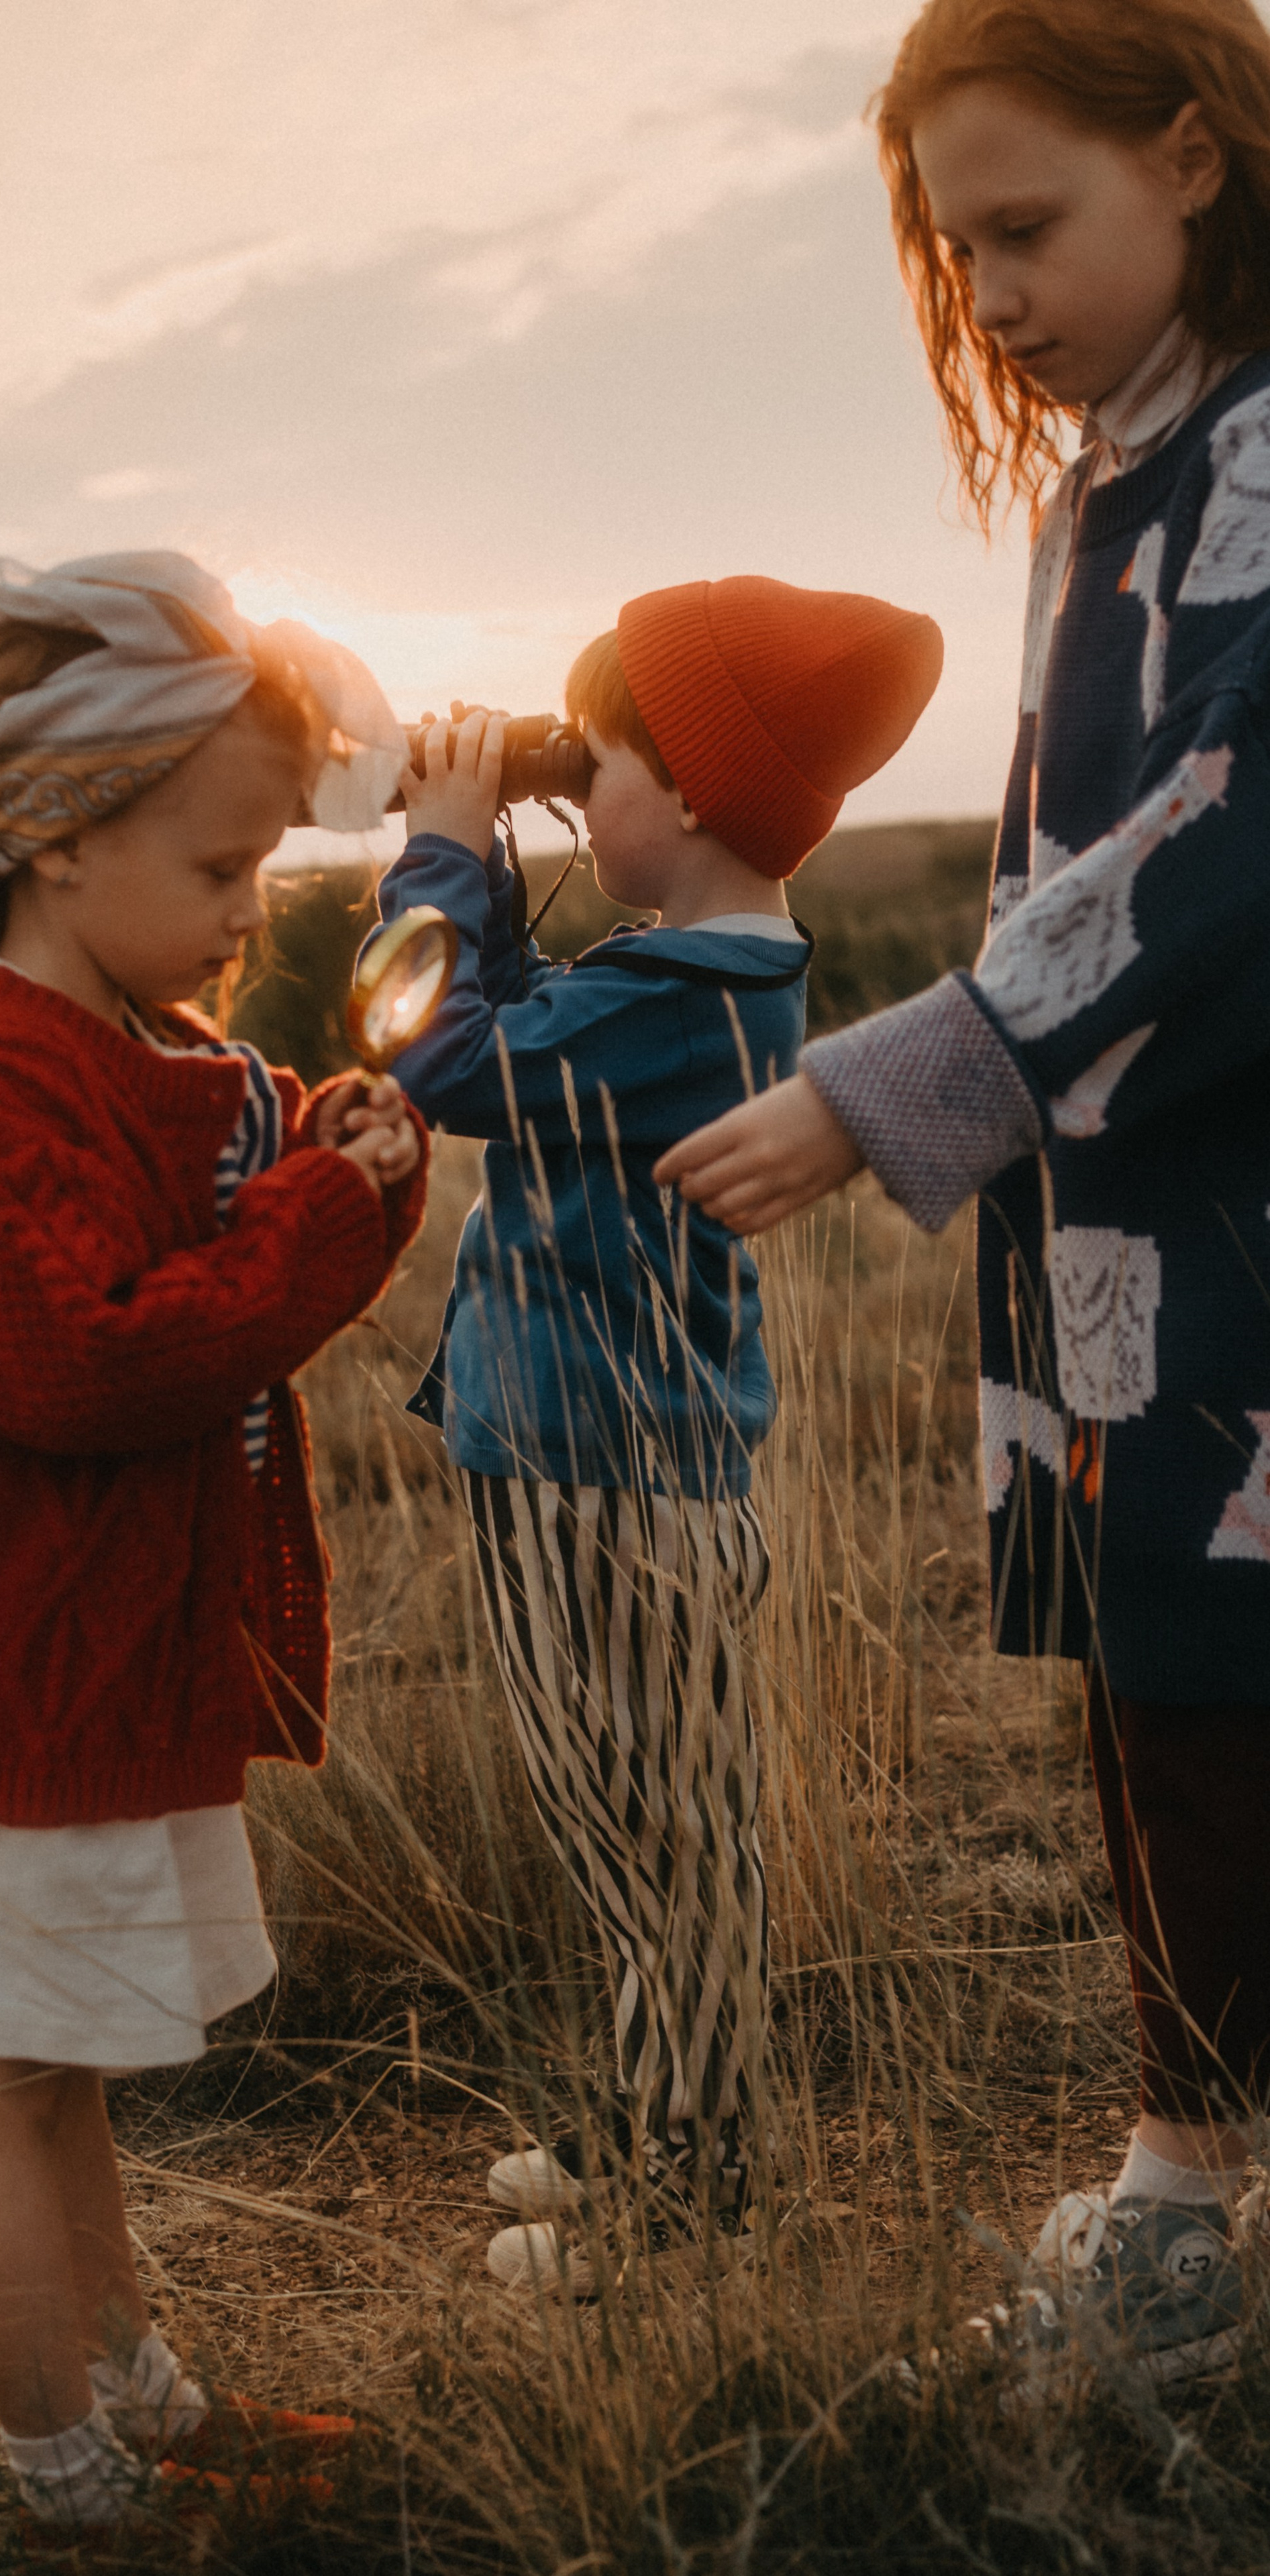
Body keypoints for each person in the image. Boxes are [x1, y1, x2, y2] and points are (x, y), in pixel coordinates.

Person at [655, 0, 1270, 2381]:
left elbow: (1228, 852)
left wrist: (924, 1071)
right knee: (1156, 1679)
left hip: (1231, 1210)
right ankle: (1186, 2179)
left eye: (1030, 226)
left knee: (1221, 1675)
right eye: (953, 247)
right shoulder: (1115, 470)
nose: (988, 295)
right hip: (1120, 1211)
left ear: (1196, 154)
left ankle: (1183, 2205)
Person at [0, 552, 427, 2537]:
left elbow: (210, 1250)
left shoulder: (131, 1059)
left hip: (86, 1664)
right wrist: (313, 1225)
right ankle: (59, 2474)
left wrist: (335, 1175)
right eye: (222, 874)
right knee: (1, 2088)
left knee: (61, 2074)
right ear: (56, 835)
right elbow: (94, 1365)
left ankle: (139, 2389)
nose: (249, 918)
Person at [374, 581, 941, 2290]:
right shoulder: (713, 971)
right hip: (619, 1463)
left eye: (596, 759)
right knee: (656, 1827)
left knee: (639, 1834)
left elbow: (438, 1062)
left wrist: (431, 854)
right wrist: (487, 858)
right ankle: (666, 2124)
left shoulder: (681, 992)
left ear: (686, 794)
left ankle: (682, 2200)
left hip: (589, 1473)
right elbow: (528, 1033)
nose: (575, 785)